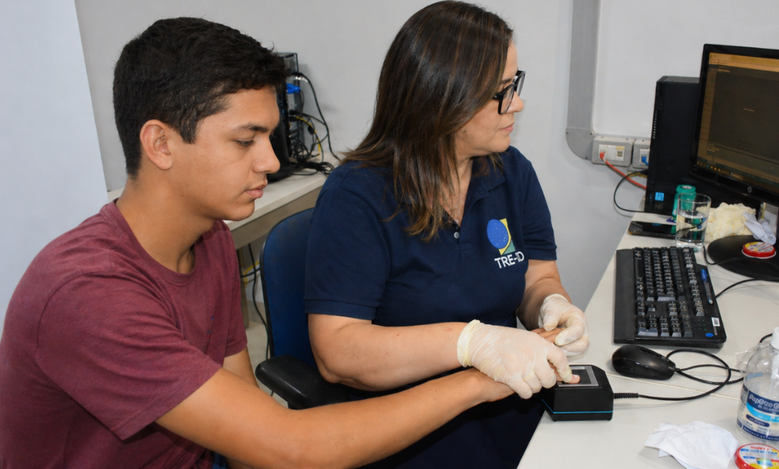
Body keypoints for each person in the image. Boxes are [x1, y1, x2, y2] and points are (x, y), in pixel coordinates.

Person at [0, 17, 515, 469]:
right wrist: (478, 377)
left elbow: (248, 431)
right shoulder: (87, 293)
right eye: (245, 141)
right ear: (160, 143)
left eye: (269, 138)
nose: (270, 162)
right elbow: (289, 445)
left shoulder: (211, 238)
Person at [305, 2, 590, 468]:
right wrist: (471, 342)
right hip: (409, 422)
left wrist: (553, 306)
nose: (517, 103)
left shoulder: (511, 173)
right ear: (443, 98)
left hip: (502, 397)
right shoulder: (357, 196)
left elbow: (537, 276)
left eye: (515, 85)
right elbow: (337, 351)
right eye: (501, 91)